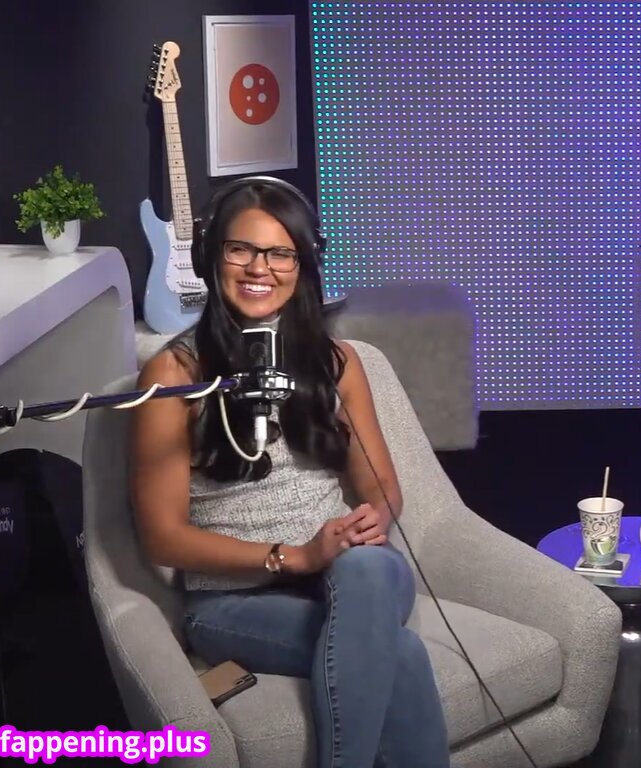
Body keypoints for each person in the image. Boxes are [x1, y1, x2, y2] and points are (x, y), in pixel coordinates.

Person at [129, 177, 450, 768]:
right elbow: (162, 538)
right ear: (211, 256)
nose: (260, 268)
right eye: (241, 249)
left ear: (302, 266)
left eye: (281, 253)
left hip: (354, 579)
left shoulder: (336, 362)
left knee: (369, 566)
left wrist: (368, 523)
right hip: (232, 603)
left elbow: (382, 489)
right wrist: (296, 557)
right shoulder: (175, 375)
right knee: (401, 656)